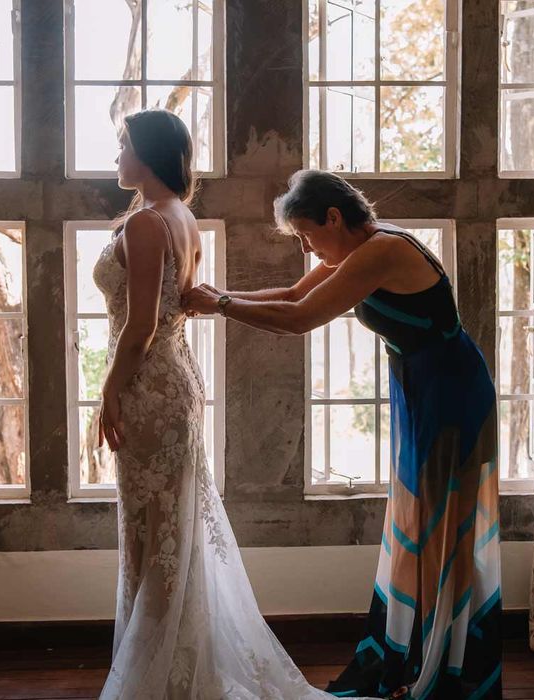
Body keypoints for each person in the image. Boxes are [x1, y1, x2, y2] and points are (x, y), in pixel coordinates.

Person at [183, 169, 502, 700]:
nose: (308, 251)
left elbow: (299, 318)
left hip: (451, 397)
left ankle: (444, 667)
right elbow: (289, 293)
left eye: (308, 236)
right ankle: (412, 660)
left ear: (334, 217)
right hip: (418, 389)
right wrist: (221, 295)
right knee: (416, 527)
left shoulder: (383, 251)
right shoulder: (355, 252)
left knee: (443, 533)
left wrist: (219, 306)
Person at [94, 113, 374, 699]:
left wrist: (109, 390)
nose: (117, 155)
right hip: (175, 380)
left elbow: (142, 324)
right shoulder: (180, 216)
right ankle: (171, 668)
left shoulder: (149, 223)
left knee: (155, 535)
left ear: (148, 153)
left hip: (149, 385)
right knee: (169, 532)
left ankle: (163, 678)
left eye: (124, 145)